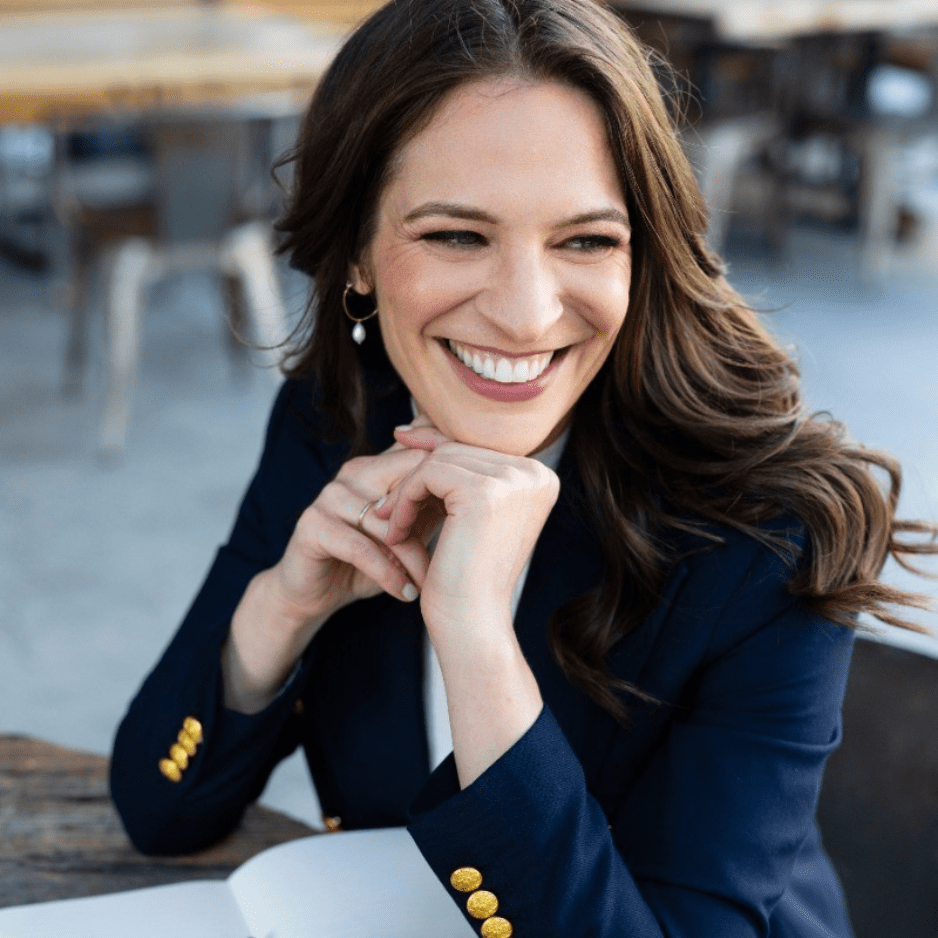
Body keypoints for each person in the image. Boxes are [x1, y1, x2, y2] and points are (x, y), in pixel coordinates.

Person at [110, 1, 937, 935]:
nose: (525, 315)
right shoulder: (334, 425)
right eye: (456, 235)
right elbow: (159, 810)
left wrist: (475, 644)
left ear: (642, 255)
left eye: (585, 240)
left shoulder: (768, 531)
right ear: (355, 257)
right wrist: (278, 612)